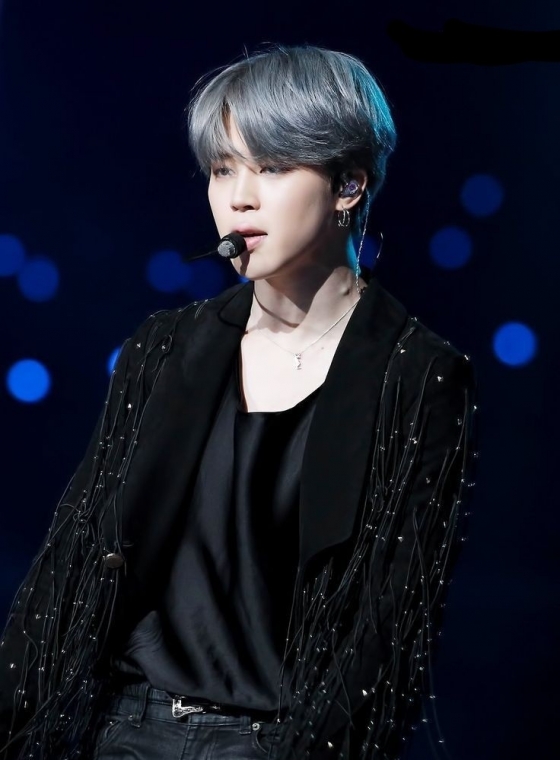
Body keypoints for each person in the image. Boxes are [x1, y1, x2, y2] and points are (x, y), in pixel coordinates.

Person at [0, 44, 478, 760]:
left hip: (277, 742)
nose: (238, 197)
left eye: (273, 166)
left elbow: (391, 626)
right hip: (126, 728)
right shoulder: (165, 349)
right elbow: (74, 558)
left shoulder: (417, 376)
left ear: (349, 184)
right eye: (223, 168)